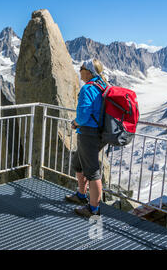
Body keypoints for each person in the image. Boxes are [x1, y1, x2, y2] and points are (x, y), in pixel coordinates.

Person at [65, 58, 108, 217]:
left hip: (89, 133)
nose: (79, 70)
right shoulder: (102, 85)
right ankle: (82, 195)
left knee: (92, 171)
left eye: (82, 67)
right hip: (98, 132)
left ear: (89, 72)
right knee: (78, 163)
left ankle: (93, 209)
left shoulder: (88, 89)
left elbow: (83, 116)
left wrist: (75, 123)